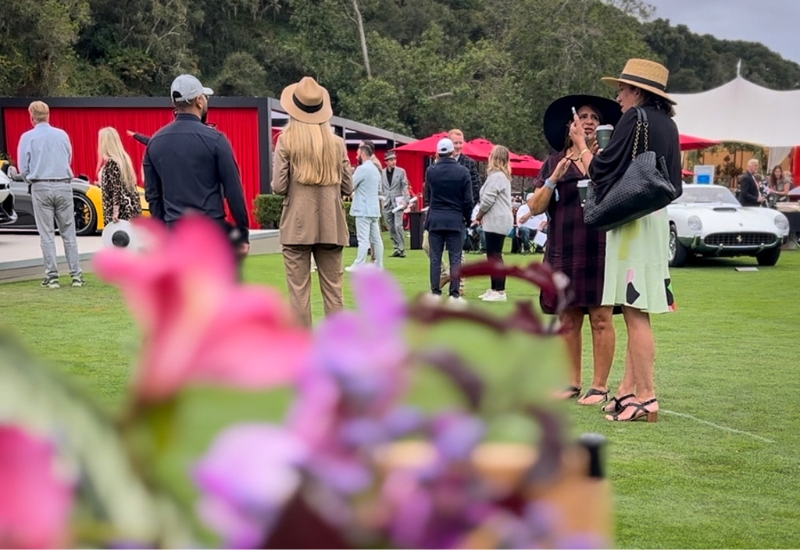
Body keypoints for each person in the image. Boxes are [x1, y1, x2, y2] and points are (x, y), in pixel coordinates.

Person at [589, 58, 682, 422]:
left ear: (639, 91)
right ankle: (629, 390)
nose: (620, 96)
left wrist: (589, 150)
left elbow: (602, 169)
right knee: (636, 310)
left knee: (634, 311)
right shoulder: (669, 125)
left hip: (631, 219)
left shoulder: (635, 118)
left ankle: (646, 396)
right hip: (655, 217)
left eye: (624, 89)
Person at [528, 94, 621, 405]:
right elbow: (537, 206)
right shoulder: (554, 161)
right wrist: (554, 177)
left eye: (595, 116)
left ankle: (599, 386)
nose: (589, 120)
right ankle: (571, 382)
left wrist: (584, 151)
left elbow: (608, 187)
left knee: (601, 317)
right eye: (583, 116)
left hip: (600, 245)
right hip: (563, 247)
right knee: (568, 318)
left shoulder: (608, 158)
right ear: (571, 124)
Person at [144, 74, 250, 269]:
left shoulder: (155, 143)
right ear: (199, 101)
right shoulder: (216, 140)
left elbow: (153, 196)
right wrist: (243, 233)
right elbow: (234, 192)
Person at [272, 76, 353, 326]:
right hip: (331, 223)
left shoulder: (286, 141)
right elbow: (348, 185)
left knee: (298, 293)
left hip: (297, 226)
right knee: (334, 292)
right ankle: (339, 348)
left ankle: (302, 351)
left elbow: (278, 186)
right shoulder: (337, 144)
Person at [17, 101, 84, 289]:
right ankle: (76, 275)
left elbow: (24, 168)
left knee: (46, 234)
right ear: (48, 115)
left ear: (31, 116)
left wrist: (29, 176)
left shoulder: (27, 137)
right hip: (63, 184)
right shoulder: (62, 135)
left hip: (41, 186)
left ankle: (52, 276)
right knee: (69, 233)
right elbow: (69, 158)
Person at [424, 138, 472, 303]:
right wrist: (467, 218)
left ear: (438, 153)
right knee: (456, 258)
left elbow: (427, 196)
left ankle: (435, 292)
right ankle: (454, 293)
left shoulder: (431, 171)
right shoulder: (463, 172)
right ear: (453, 152)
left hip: (436, 218)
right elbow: (468, 201)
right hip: (455, 219)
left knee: (435, 258)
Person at [474, 145, 513, 302]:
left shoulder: (496, 177)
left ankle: (500, 291)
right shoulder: (501, 176)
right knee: (492, 254)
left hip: (497, 219)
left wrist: (479, 214)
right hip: (498, 218)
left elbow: (488, 200)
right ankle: (494, 288)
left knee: (495, 255)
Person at [347, 142, 384, 271]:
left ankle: (359, 264)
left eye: (357, 154)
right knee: (376, 239)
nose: (357, 156)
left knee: (363, 239)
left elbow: (351, 185)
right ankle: (379, 264)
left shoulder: (362, 169)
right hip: (373, 209)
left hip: (363, 209)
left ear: (362, 154)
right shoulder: (375, 169)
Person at [98, 127, 142, 225]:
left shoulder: (112, 163)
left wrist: (115, 212)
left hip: (119, 212)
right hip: (130, 208)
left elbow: (116, 188)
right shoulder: (124, 159)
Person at [381, 150, 410, 257]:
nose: (394, 162)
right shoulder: (382, 173)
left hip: (398, 202)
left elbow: (405, 185)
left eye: (394, 159)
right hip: (386, 202)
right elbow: (381, 187)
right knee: (390, 227)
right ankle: (397, 247)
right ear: (386, 162)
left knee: (398, 225)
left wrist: (406, 200)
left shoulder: (401, 171)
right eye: (391, 160)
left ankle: (402, 249)